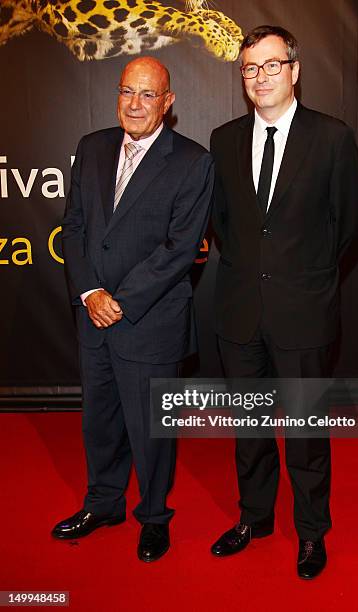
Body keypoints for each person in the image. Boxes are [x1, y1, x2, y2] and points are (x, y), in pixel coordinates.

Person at [210, 25, 358, 578]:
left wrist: (306, 280)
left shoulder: (332, 137)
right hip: (239, 314)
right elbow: (225, 223)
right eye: (250, 68)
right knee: (249, 430)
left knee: (304, 433)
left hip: (304, 314)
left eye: (272, 65)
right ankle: (255, 517)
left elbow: (349, 228)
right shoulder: (224, 139)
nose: (261, 76)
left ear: (295, 70)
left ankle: (310, 533)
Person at [52, 57, 213, 563]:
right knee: (99, 422)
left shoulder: (192, 161)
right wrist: (90, 294)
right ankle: (103, 504)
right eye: (128, 92)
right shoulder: (91, 146)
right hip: (93, 315)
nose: (136, 104)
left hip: (150, 320)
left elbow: (180, 247)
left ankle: (153, 518)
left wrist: (120, 301)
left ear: (167, 103)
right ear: (117, 95)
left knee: (150, 432)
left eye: (148, 95)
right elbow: (73, 228)